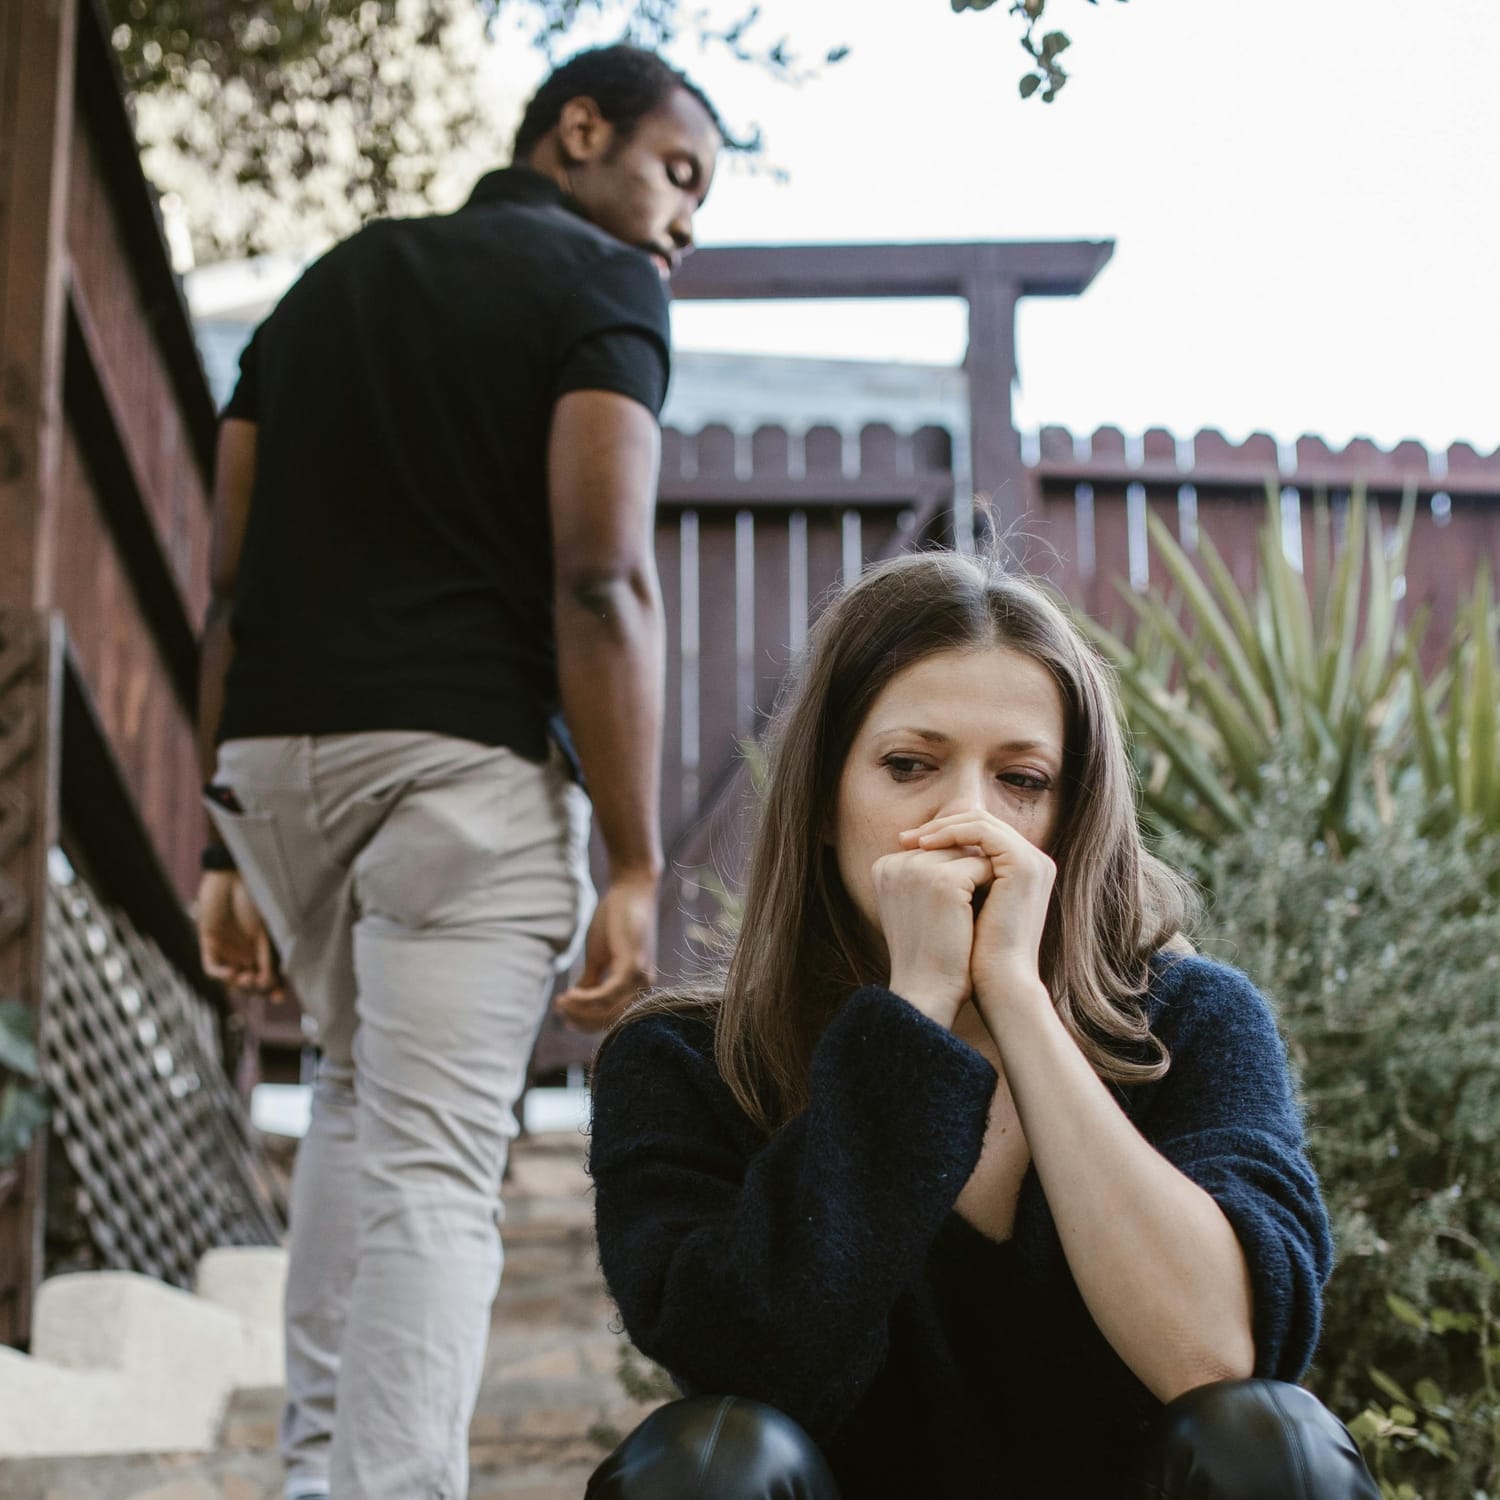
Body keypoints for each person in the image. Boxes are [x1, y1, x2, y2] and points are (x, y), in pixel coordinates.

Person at [192, 45, 723, 1500]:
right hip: (461, 783)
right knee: (434, 1166)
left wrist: (221, 845)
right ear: (580, 129)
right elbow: (603, 575)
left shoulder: (331, 283)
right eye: (679, 175)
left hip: (279, 769)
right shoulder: (607, 291)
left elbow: (230, 582)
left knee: (361, 1108)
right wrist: (632, 856)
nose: (683, 223)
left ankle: (320, 1478)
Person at [585, 550, 1381, 1499]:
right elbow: (756, 1370)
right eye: (910, 766)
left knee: (1268, 1438)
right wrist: (913, 1014)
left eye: (1023, 780)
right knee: (703, 1461)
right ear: (827, 804)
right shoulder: (687, 1062)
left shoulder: (1196, 1022)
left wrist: (1013, 989)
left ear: (1071, 817)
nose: (968, 818)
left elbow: (1216, 1358)